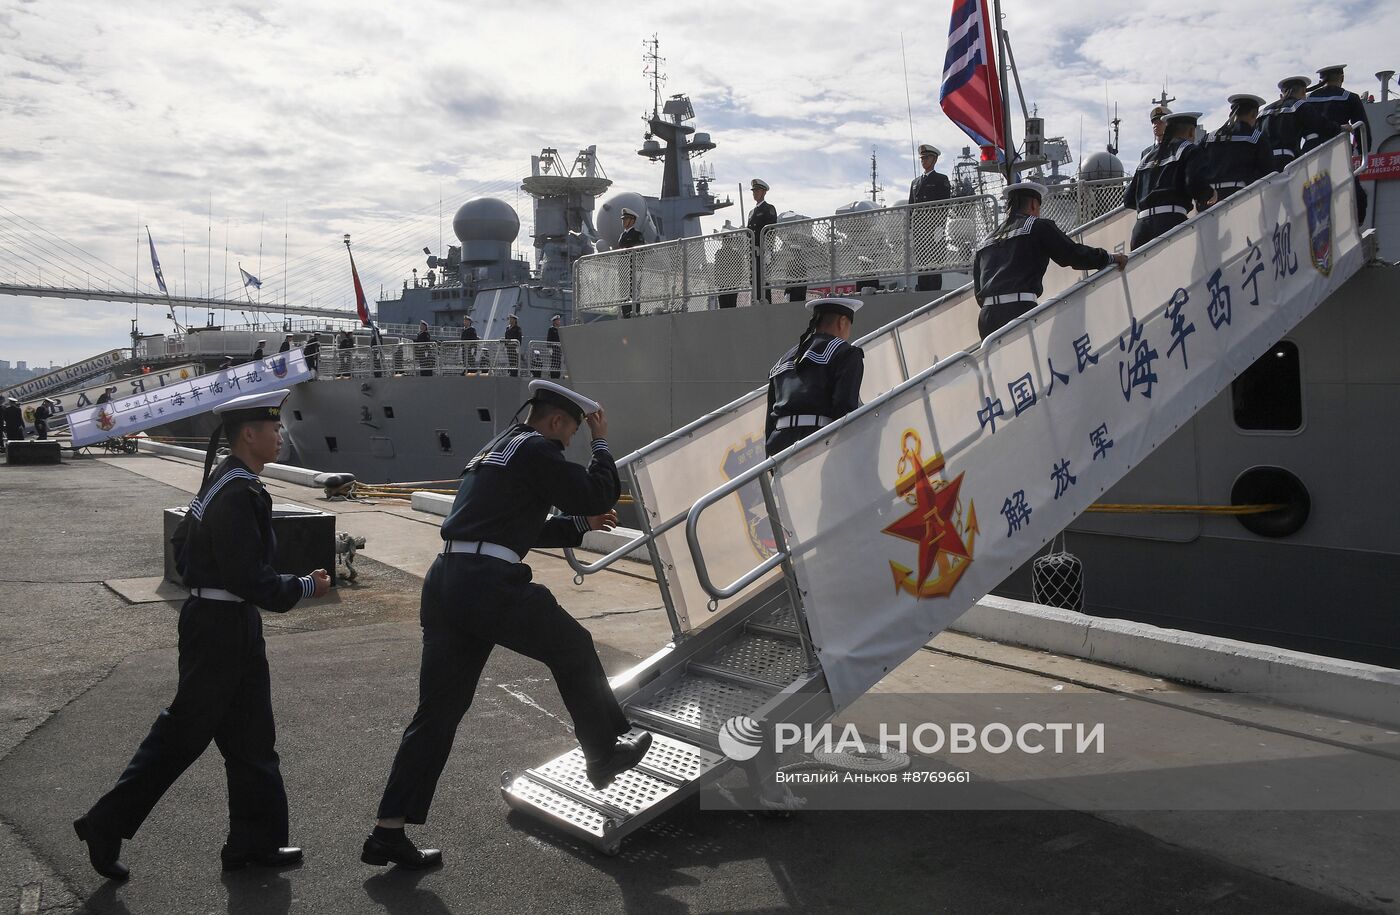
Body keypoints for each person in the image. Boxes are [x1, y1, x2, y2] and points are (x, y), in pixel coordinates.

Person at [363, 379, 645, 869]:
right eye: (572, 434)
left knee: (437, 713)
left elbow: (518, 526)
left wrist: (580, 526)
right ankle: (603, 752)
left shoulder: (496, 451)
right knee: (574, 645)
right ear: (557, 422)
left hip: (449, 579)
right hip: (489, 583)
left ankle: (388, 831)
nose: (569, 444)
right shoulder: (539, 449)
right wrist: (602, 441)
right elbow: (599, 489)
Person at [74, 390, 331, 882]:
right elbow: (246, 576)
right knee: (183, 734)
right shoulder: (240, 490)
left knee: (252, 739)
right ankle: (105, 822)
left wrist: (206, 579)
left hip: (223, 621)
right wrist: (305, 586)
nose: (280, 435)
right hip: (221, 628)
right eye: (272, 428)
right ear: (249, 434)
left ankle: (253, 844)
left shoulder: (223, 481)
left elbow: (183, 544)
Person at [974, 181, 1128, 339]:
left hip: (987, 317)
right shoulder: (1037, 226)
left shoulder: (986, 241)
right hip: (1018, 311)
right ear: (1034, 204)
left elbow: (978, 289)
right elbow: (1073, 254)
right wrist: (1108, 258)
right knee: (1028, 362)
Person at [764, 297, 866, 457]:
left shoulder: (783, 361)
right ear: (842, 322)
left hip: (779, 445)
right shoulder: (846, 353)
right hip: (818, 442)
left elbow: (770, 420)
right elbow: (844, 406)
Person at [1124, 111, 1215, 251]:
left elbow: (1128, 199)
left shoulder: (1146, 157)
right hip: (1170, 222)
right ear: (1191, 131)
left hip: (1141, 229)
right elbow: (1194, 182)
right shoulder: (1189, 149)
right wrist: (1209, 194)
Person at [1307, 64, 1371, 222]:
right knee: (1355, 193)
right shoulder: (1349, 97)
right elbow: (1362, 128)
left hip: (1309, 152)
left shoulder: (1309, 100)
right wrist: (1363, 150)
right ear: (1342, 78)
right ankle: (1356, 223)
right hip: (1338, 149)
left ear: (1322, 80)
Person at [1199, 94, 1275, 204]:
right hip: (1240, 197)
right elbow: (1268, 173)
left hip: (1210, 198)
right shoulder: (1256, 137)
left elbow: (1196, 167)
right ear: (1254, 114)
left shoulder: (1209, 137)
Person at [1259, 76, 1337, 173]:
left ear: (1282, 94)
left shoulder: (1263, 112)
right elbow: (1321, 125)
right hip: (1287, 161)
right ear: (1303, 92)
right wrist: (1339, 128)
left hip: (1265, 163)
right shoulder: (1300, 106)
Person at [908, 143, 953, 292]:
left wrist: (940, 227)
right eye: (922, 158)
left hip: (934, 230)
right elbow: (910, 208)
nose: (923, 161)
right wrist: (909, 229)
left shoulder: (941, 179)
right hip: (919, 230)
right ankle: (923, 290)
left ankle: (933, 292)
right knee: (922, 264)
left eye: (926, 158)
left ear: (934, 160)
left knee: (934, 263)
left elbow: (944, 205)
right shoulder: (915, 183)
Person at [747, 179, 777, 303]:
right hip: (753, 252)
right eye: (754, 191)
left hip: (763, 251)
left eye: (757, 190)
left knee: (764, 279)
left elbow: (771, 230)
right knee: (753, 278)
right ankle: (756, 300)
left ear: (764, 192)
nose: (755, 193)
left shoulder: (768, 208)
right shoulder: (751, 213)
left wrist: (768, 250)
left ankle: (765, 302)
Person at [616, 208, 644, 318]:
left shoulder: (637, 234)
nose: (623, 221)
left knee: (634, 291)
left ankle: (634, 312)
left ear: (632, 221)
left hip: (633, 268)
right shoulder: (622, 235)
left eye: (626, 219)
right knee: (624, 291)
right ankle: (625, 313)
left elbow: (641, 251)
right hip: (623, 268)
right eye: (623, 219)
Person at [714, 230, 747, 308]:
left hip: (725, 284)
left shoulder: (720, 253)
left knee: (724, 305)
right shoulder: (736, 254)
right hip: (731, 283)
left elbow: (717, 269)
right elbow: (740, 269)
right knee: (731, 304)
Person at [546, 314, 562, 379]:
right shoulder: (551, 329)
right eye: (558, 320)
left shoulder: (559, 329)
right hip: (554, 348)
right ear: (554, 321)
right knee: (554, 362)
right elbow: (549, 339)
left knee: (558, 362)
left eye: (559, 320)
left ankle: (558, 375)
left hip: (559, 348)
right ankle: (553, 375)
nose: (559, 321)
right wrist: (550, 349)